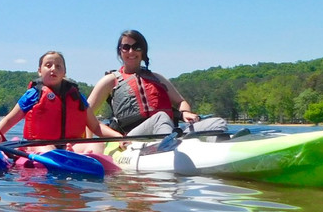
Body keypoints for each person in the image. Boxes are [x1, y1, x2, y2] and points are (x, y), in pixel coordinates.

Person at [87, 29, 228, 136]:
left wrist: (184, 112)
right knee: (160, 117)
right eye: (126, 47)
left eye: (136, 47)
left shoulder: (157, 78)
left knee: (217, 123)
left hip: (169, 132)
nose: (131, 51)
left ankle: (220, 153)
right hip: (134, 138)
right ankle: (169, 149)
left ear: (143, 51)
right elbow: (85, 115)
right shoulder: (110, 80)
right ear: (120, 51)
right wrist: (115, 138)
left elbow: (181, 102)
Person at [0, 50, 112, 153]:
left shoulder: (77, 96)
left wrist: (119, 136)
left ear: (64, 72)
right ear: (39, 71)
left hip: (71, 145)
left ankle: (85, 158)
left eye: (58, 66)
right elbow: (9, 121)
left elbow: (96, 126)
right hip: (39, 144)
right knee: (48, 149)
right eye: (48, 65)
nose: (53, 69)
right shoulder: (33, 95)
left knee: (97, 145)